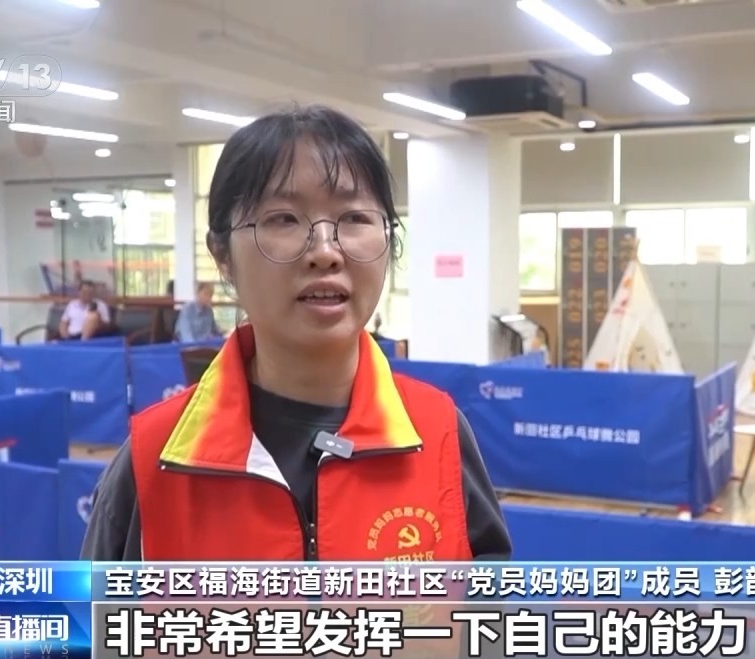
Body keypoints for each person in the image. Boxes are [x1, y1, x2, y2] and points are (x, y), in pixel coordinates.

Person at [82, 105, 511, 562]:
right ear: (222, 255)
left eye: (355, 218)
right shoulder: (154, 458)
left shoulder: (440, 433)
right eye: (283, 218)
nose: (325, 251)